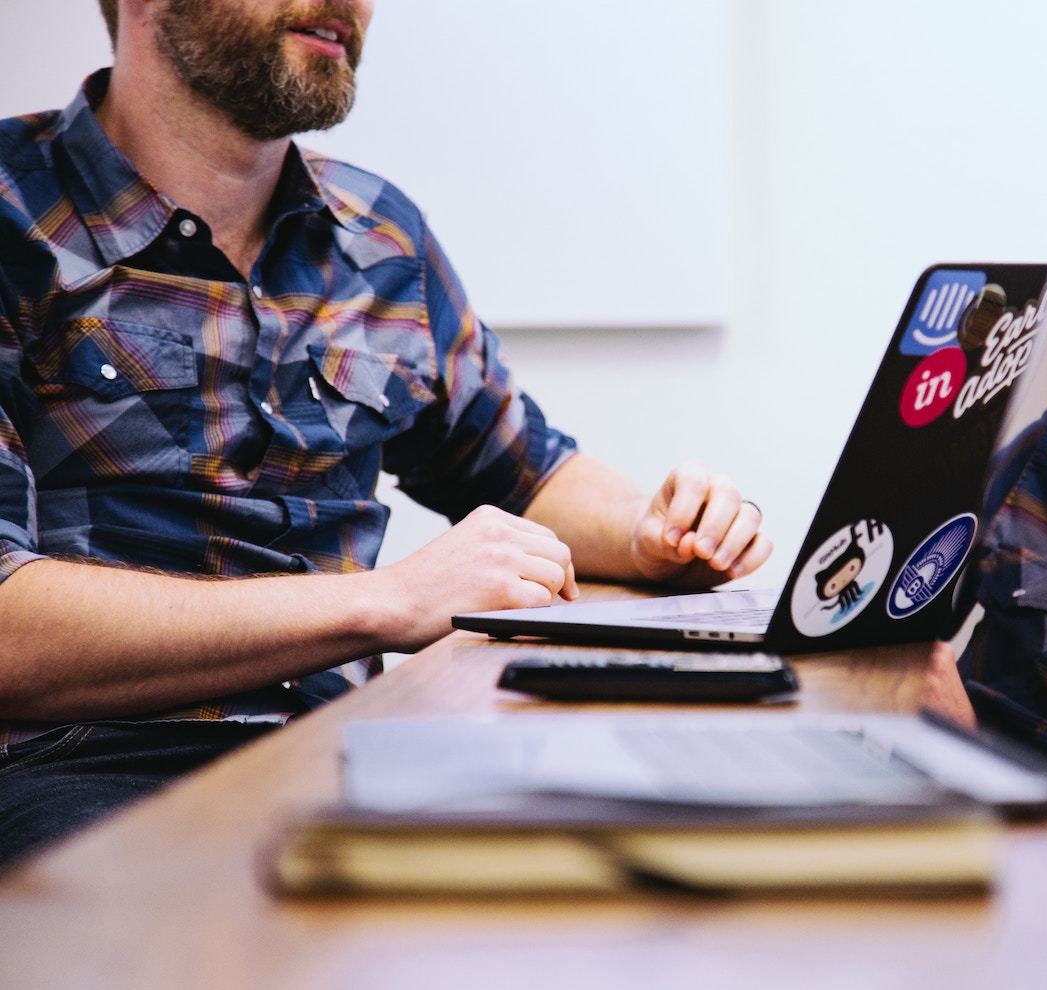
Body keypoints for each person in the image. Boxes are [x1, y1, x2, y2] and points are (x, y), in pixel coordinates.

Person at [0, 0, 770, 865]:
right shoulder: (10, 214)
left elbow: (521, 472)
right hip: (86, 769)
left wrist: (649, 527)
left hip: (353, 751)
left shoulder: (380, 237)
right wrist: (385, 603)